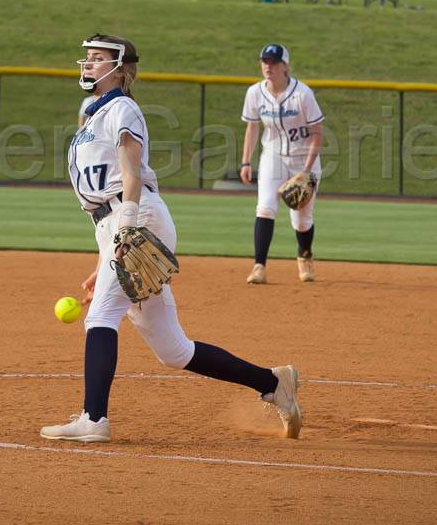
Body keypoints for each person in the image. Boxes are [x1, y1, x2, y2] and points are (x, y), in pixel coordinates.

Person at [41, 34, 303, 443]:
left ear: (120, 67)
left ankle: (94, 420)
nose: (88, 63)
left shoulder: (121, 108)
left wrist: (127, 226)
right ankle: (273, 383)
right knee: (173, 350)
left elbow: (129, 175)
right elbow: (103, 200)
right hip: (117, 224)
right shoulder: (93, 115)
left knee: (101, 317)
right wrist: (102, 262)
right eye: (87, 57)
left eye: (98, 58)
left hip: (136, 216)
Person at [239, 44, 325, 285]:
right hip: (273, 157)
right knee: (265, 208)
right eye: (265, 61)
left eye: (274, 62)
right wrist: (246, 161)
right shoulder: (255, 93)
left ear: (285, 66)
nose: (268, 66)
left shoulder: (303, 94)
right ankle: (259, 267)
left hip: (303, 158)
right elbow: (252, 127)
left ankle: (304, 256)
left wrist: (307, 172)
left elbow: (318, 133)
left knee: (301, 219)